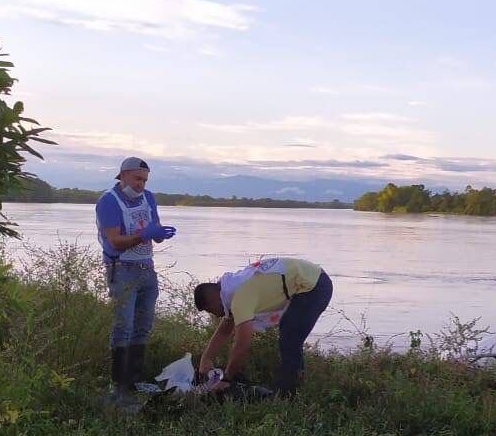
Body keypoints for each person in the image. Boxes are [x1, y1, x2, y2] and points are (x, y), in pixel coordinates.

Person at [96, 156, 176, 406]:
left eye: (145, 180)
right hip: (122, 269)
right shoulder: (109, 201)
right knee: (124, 326)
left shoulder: (148, 197)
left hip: (147, 269)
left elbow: (155, 229)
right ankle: (118, 384)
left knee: (143, 325)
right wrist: (143, 235)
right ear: (123, 175)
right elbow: (114, 241)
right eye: (137, 178)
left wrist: (160, 234)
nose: (141, 184)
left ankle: (134, 380)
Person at [193, 256, 333, 396]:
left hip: (313, 285)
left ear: (213, 300)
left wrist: (227, 379)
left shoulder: (239, 297)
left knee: (289, 337)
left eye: (210, 311)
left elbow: (242, 344)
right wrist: (206, 359)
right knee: (289, 333)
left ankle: (288, 394)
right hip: (310, 278)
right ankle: (290, 386)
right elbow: (225, 330)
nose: (216, 315)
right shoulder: (231, 289)